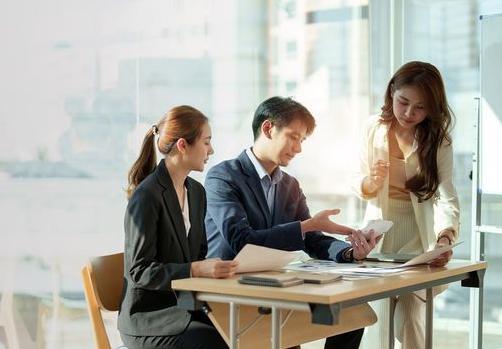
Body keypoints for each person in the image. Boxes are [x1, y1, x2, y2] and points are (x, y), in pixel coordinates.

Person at [204, 96, 380, 349]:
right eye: (293, 137)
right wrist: (307, 225)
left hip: (275, 288)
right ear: (268, 128)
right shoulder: (223, 176)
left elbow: (310, 239)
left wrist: (350, 251)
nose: (298, 148)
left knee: (351, 311)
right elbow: (241, 240)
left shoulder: (289, 185)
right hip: (230, 289)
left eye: (303, 140)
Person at [351, 61, 460, 348]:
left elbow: (445, 193)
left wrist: (445, 236)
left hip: (420, 238)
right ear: (391, 93)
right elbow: (356, 178)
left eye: (421, 107)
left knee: (410, 316)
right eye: (403, 102)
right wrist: (371, 183)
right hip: (380, 235)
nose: (410, 113)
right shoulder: (373, 128)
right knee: (380, 323)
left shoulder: (438, 140)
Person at [119, 105, 238, 349]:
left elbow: (199, 253)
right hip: (150, 319)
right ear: (183, 145)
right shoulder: (147, 196)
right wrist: (195, 269)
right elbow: (140, 271)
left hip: (187, 308)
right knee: (219, 342)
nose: (211, 150)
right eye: (206, 142)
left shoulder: (196, 193)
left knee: (249, 329)